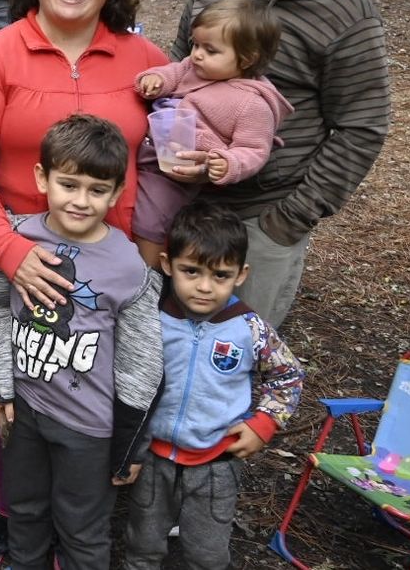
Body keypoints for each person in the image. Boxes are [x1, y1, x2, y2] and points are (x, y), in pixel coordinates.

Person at [0, 0, 164, 567]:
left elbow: (167, 156)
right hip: (24, 257)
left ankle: (87, 522)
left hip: (114, 263)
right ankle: (11, 516)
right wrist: (9, 251)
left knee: (107, 386)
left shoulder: (145, 61)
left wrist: (152, 242)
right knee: (17, 388)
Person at [170, 0, 390, 329]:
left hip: (264, 217)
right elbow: (179, 71)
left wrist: (290, 220)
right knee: (170, 348)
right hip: (185, 207)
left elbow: (362, 126)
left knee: (235, 353)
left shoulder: (343, 10)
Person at [0, 114, 164, 570]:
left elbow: (142, 364)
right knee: (24, 511)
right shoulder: (17, 238)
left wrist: (129, 446)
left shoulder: (128, 266)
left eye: (97, 190)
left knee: (81, 530)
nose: (81, 201)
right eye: (69, 185)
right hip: (24, 412)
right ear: (42, 178)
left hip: (89, 429)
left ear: (117, 192)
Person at [123, 201, 304, 570]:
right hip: (153, 457)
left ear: (241, 274)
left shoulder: (249, 328)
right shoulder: (152, 319)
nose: (204, 287)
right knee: (142, 542)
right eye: (191, 271)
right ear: (167, 264)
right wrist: (126, 448)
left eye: (220, 275)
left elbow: (288, 374)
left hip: (216, 463)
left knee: (206, 552)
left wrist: (264, 423)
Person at [132, 0, 292, 267]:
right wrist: (156, 79)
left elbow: (253, 149)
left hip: (177, 171)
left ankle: (148, 272)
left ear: (247, 59)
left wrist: (229, 163)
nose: (197, 54)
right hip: (151, 147)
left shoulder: (252, 104)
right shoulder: (195, 66)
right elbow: (174, 72)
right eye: (195, 44)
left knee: (151, 218)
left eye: (210, 50)